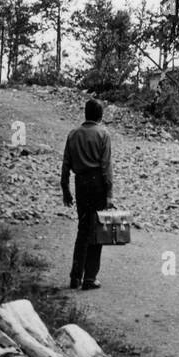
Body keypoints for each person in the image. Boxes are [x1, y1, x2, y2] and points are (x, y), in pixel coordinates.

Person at [61, 98, 113, 291]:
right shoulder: (103, 134)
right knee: (97, 232)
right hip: (97, 184)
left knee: (83, 229)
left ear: (86, 114)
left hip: (80, 184)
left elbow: (66, 164)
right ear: (100, 116)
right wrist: (109, 194)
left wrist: (65, 189)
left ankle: (75, 277)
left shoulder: (73, 134)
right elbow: (106, 167)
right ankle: (90, 278)